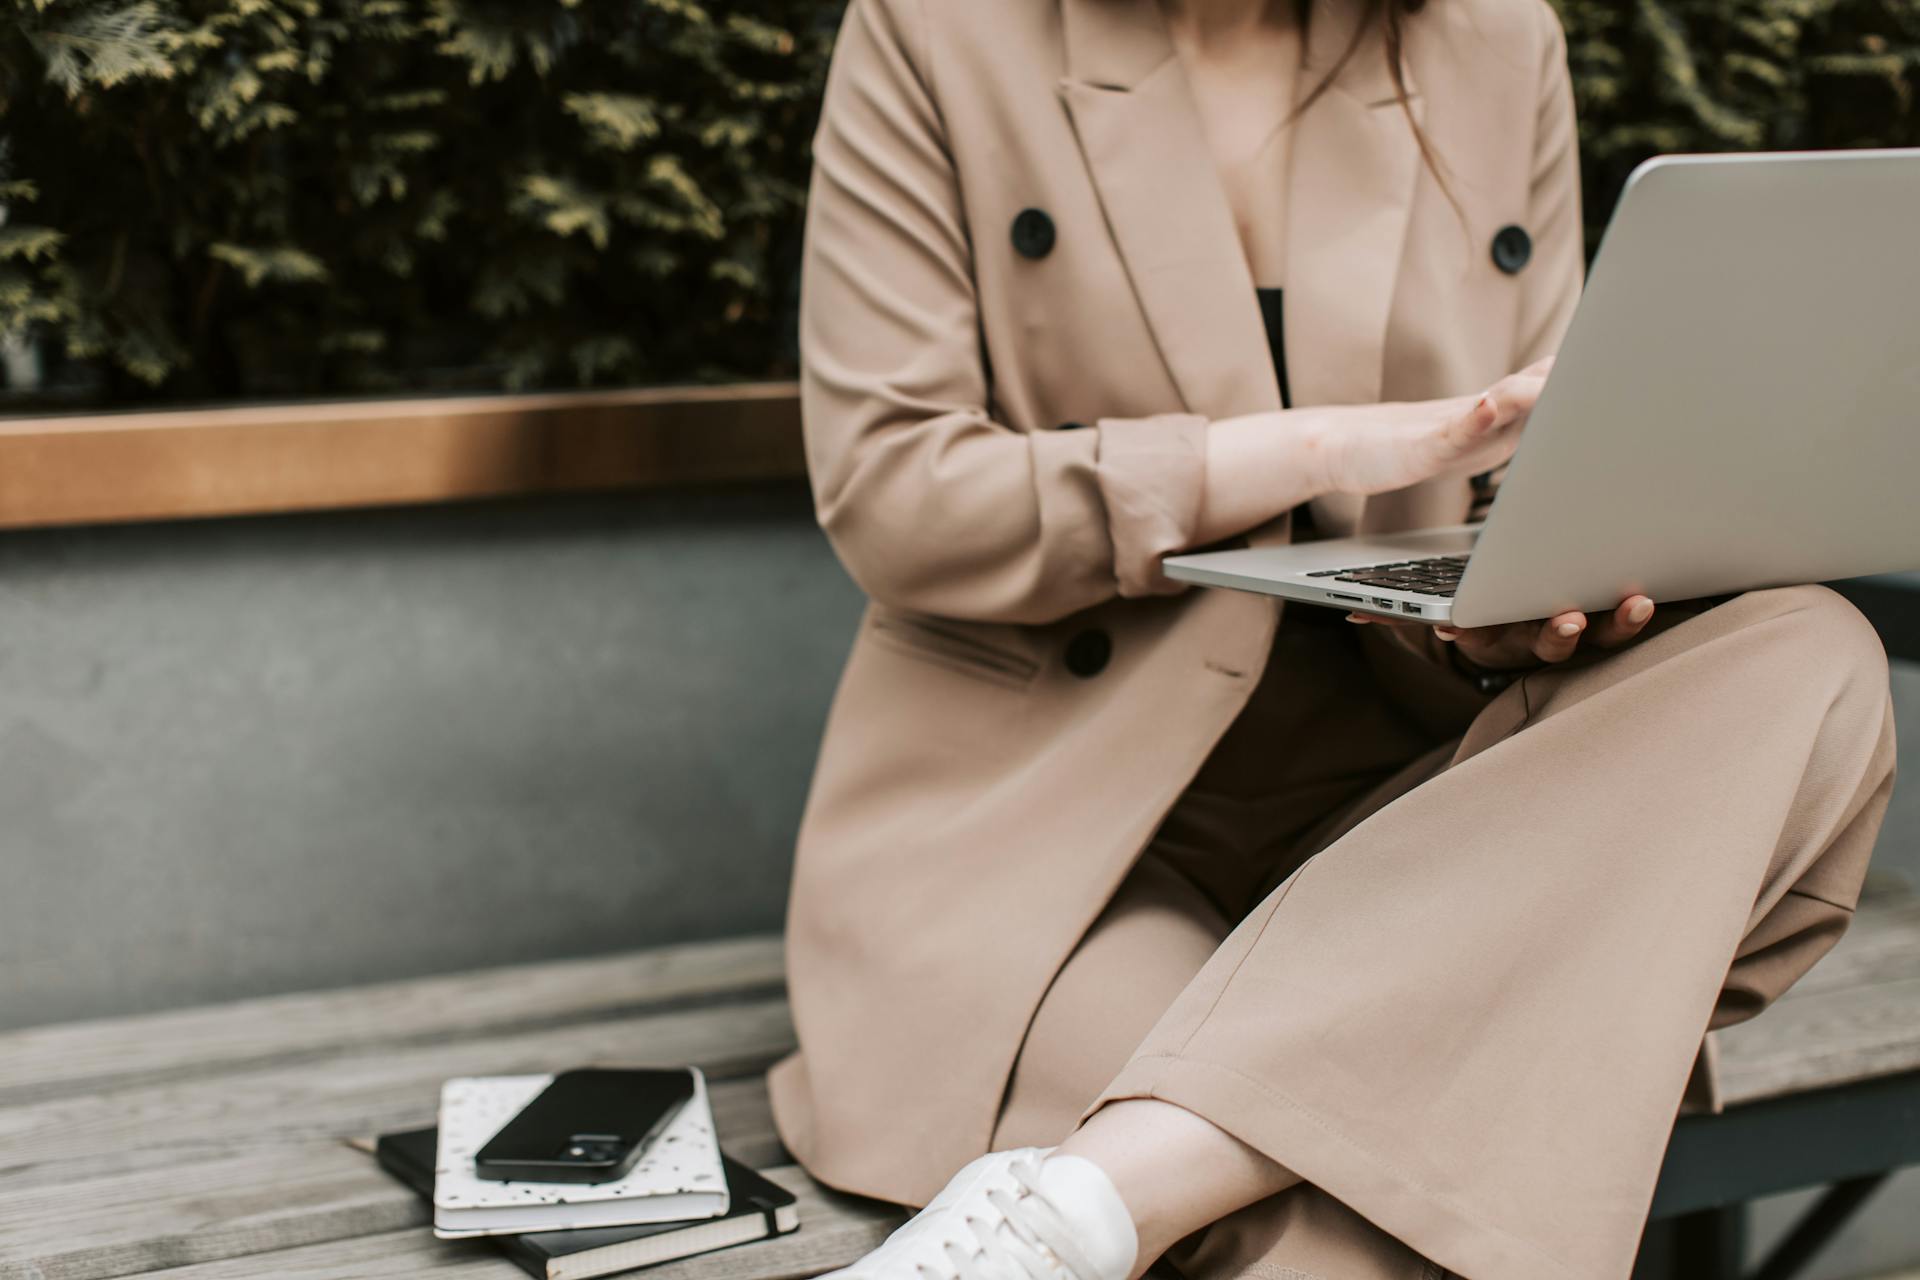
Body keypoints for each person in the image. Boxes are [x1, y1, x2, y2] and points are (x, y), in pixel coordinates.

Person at [766, 0, 1899, 1276]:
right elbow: (896, 494)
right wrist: (1338, 445)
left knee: (1813, 652)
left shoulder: (1491, 39)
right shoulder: (941, 31)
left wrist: (1528, 602)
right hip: (1056, 820)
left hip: (1413, 809)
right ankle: (1103, 1192)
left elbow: (1534, 460)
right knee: (1342, 1204)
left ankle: (1079, 1198)